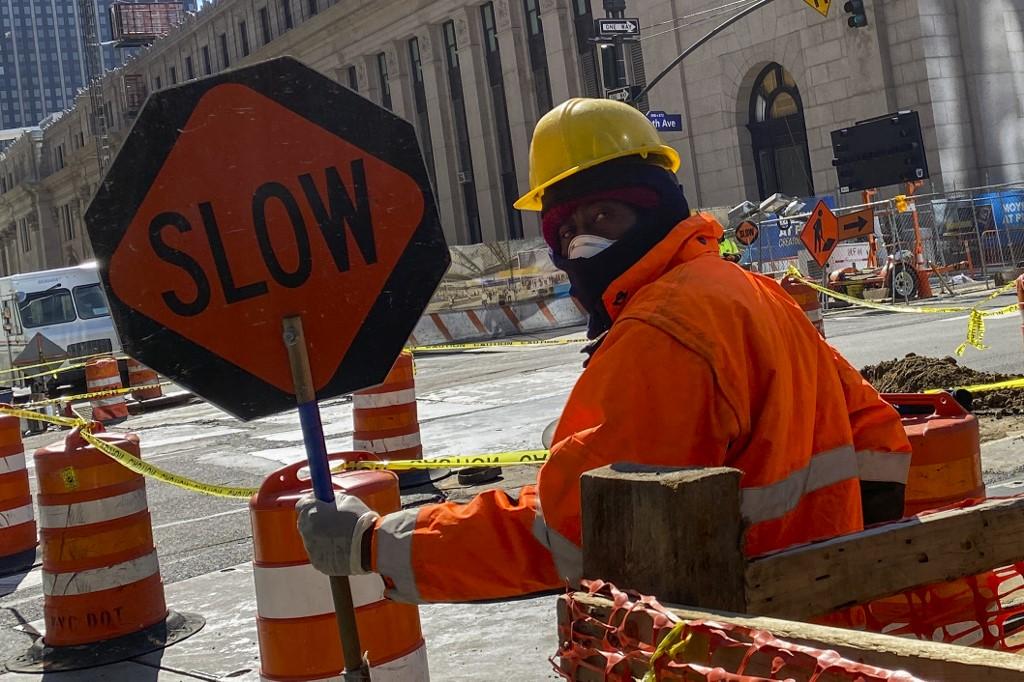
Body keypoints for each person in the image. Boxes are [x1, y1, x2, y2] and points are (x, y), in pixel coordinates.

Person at [296, 98, 912, 604]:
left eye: (604, 215)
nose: (581, 241)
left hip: (728, 639)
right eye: (566, 229)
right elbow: (879, 438)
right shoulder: (750, 292)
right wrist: (838, 560)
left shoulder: (662, 329)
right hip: (814, 628)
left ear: (656, 207)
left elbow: (570, 534)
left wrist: (378, 545)